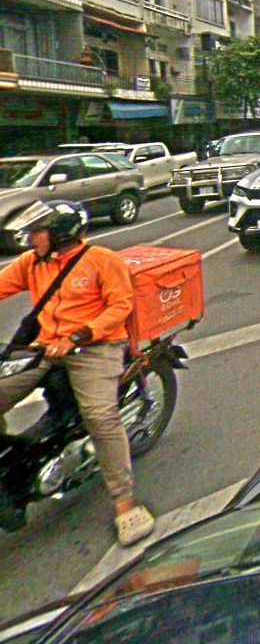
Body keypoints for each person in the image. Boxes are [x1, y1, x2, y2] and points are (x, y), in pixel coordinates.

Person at [0, 200, 155, 546]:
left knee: (100, 416)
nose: (30, 240)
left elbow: (120, 306)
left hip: (95, 347)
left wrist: (78, 336)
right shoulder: (32, 263)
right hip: (45, 347)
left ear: (60, 234)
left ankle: (125, 503)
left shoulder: (102, 261)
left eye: (37, 234)